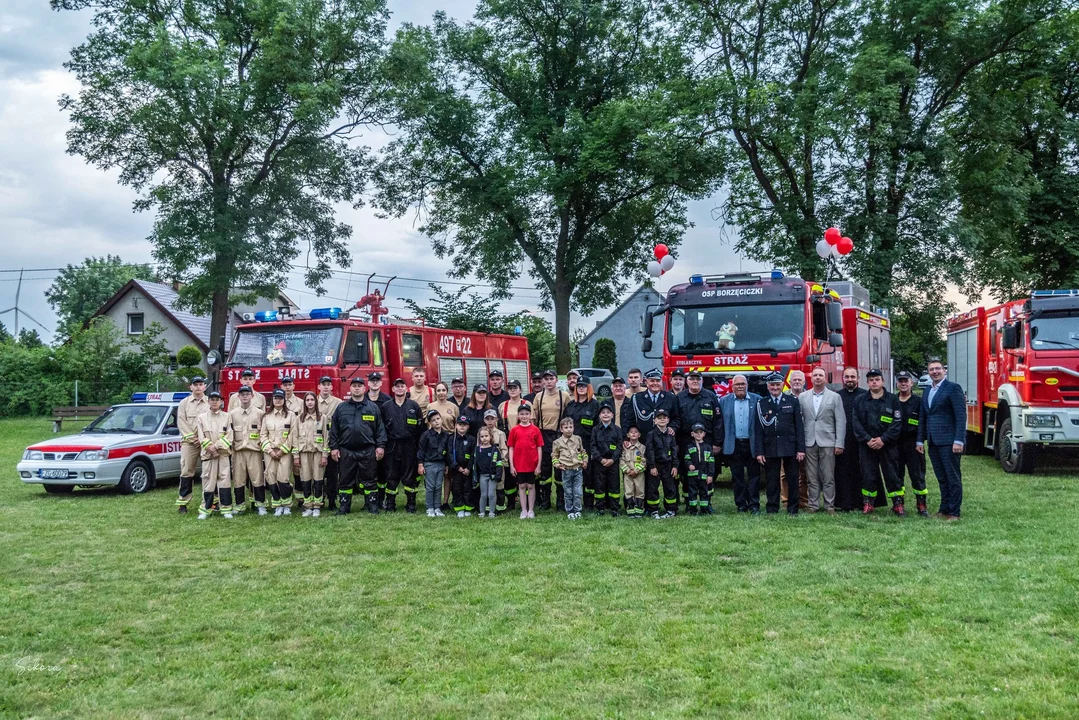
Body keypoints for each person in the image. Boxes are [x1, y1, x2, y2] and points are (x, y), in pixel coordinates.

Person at [329, 377, 387, 515]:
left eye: (359, 386)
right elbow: (334, 430)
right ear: (350, 388)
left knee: (370, 480)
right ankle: (344, 507)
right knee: (345, 480)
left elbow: (380, 429)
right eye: (354, 385)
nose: (356, 388)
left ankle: (372, 506)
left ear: (363, 388)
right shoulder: (341, 408)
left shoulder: (372, 408)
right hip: (346, 450)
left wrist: (380, 446)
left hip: (367, 450)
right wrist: (334, 447)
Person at [917, 358, 966, 520]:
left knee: (952, 478)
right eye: (931, 369)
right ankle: (944, 509)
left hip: (949, 441)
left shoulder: (953, 388)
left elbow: (960, 416)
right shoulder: (927, 391)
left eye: (938, 369)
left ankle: (954, 512)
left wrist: (959, 440)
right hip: (933, 441)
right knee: (941, 478)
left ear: (944, 370)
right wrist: (920, 440)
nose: (935, 372)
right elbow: (924, 417)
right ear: (928, 372)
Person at [853, 369, 905, 516]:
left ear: (882, 381)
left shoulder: (893, 400)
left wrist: (883, 439)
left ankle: (897, 504)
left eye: (877, 379)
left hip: (887, 445)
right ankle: (868, 503)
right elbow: (856, 423)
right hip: (867, 446)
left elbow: (897, 422)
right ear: (867, 382)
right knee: (868, 475)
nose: (874, 382)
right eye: (871, 380)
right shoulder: (860, 400)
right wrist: (868, 439)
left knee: (892, 475)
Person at [753, 372, 806, 515]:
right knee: (772, 479)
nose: (775, 387)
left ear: (783, 385)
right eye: (772, 385)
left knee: (792, 478)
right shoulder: (761, 403)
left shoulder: (792, 401)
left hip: (790, 446)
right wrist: (759, 451)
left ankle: (793, 508)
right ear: (768, 386)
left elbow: (799, 427)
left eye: (777, 384)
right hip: (770, 446)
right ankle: (772, 508)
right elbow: (758, 430)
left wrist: (801, 449)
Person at [799, 367, 846, 514]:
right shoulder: (803, 397)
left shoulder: (834, 397)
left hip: (828, 441)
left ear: (825, 378)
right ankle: (813, 506)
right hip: (809, 441)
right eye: (815, 375)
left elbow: (840, 421)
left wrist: (839, 443)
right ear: (811, 379)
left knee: (828, 476)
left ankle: (829, 506)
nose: (818, 378)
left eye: (820, 375)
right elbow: (799, 421)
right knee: (811, 477)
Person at [674, 370, 721, 511]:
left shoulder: (711, 396)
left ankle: (707, 502)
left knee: (708, 472)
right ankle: (690, 502)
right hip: (685, 441)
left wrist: (717, 443)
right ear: (686, 381)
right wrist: (675, 443)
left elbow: (718, 422)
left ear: (702, 381)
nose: (695, 381)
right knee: (687, 472)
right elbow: (675, 419)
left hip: (707, 442)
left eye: (697, 379)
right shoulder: (679, 398)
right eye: (692, 379)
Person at [719, 375, 761, 513]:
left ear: (747, 385)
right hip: (734, 444)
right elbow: (719, 424)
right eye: (737, 384)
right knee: (737, 476)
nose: (740, 386)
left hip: (752, 443)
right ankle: (741, 504)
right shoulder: (724, 401)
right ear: (732, 386)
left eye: (743, 384)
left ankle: (754, 504)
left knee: (754, 476)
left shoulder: (757, 400)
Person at [381, 378, 423, 513]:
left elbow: (420, 429)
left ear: (406, 389)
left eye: (402, 386)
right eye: (397, 386)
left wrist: (418, 449)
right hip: (392, 446)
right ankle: (390, 504)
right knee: (391, 475)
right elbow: (381, 429)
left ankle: (411, 503)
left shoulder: (414, 406)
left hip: (409, 446)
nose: (399, 388)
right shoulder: (386, 407)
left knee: (409, 476)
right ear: (393, 389)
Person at [532, 369, 572, 511]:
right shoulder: (538, 397)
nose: (549, 382)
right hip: (543, 436)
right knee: (545, 470)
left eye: (551, 379)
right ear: (543, 381)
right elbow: (534, 419)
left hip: (559, 436)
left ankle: (561, 501)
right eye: (546, 379)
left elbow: (569, 417)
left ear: (556, 380)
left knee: (560, 468)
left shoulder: (564, 396)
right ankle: (545, 500)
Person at [895, 371, 929, 517]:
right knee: (896, 475)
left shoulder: (919, 401)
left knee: (917, 474)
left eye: (906, 381)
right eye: (900, 381)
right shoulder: (892, 400)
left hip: (914, 444)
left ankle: (921, 504)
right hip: (895, 444)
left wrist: (920, 441)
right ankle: (898, 504)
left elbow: (924, 423)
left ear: (911, 383)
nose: (903, 383)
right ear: (896, 383)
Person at [196, 391, 234, 520]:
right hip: (208, 456)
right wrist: (211, 449)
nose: (214, 402)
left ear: (221, 402)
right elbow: (201, 437)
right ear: (208, 401)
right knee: (208, 483)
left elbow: (229, 436)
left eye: (217, 399)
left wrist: (216, 447)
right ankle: (205, 510)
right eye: (212, 399)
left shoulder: (227, 416)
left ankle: (226, 509)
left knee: (224, 482)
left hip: (222, 455)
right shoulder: (201, 418)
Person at [835, 367, 868, 511]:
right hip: (843, 441)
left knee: (862, 472)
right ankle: (844, 503)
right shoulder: (837, 396)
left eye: (852, 377)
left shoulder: (865, 395)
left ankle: (862, 503)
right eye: (847, 377)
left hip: (861, 441)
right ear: (843, 379)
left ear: (858, 378)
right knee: (843, 472)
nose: (849, 380)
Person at [175, 377, 209, 514]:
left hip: (206, 442)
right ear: (191, 387)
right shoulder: (184, 403)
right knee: (187, 472)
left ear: (205, 387)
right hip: (189, 443)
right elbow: (181, 422)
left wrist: (202, 439)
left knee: (208, 473)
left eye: (201, 384)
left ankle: (210, 501)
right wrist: (193, 438)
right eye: (196, 385)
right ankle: (183, 503)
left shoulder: (210, 402)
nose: (198, 387)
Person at [564, 377, 599, 510]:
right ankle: (571, 501)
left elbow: (597, 427)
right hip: (571, 444)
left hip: (587, 443)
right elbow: (564, 424)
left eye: (584, 386)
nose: (581, 388)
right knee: (571, 472)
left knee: (587, 473)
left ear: (589, 387)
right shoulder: (571, 405)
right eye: (579, 386)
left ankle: (589, 503)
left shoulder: (594, 405)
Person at [261, 389, 296, 516]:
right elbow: (263, 435)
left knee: (283, 477)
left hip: (284, 452)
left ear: (284, 400)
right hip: (270, 452)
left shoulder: (291, 415)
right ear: (272, 400)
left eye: (280, 398)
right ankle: (277, 504)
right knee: (271, 477)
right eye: (276, 398)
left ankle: (286, 504)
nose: (278, 400)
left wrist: (282, 451)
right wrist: (270, 451)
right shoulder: (266, 416)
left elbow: (293, 434)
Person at [229, 385, 264, 514]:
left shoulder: (259, 413)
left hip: (254, 451)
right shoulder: (232, 414)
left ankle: (260, 505)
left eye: (247, 394)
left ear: (252, 395)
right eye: (242, 394)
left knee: (257, 478)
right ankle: (239, 505)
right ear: (238, 396)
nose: (244, 396)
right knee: (238, 479)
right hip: (238, 451)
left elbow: (263, 432)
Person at [293, 391, 329, 517]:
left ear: (316, 402)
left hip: (318, 453)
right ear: (304, 402)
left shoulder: (322, 418)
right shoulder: (299, 419)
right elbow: (295, 438)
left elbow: (326, 437)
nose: (310, 402)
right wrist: (296, 456)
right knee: (305, 479)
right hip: (304, 453)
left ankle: (317, 506)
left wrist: (325, 455)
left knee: (318, 479)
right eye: (307, 400)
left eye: (312, 400)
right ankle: (308, 506)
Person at [621, 369, 679, 442]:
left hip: (665, 441)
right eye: (652, 381)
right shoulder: (637, 398)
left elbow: (676, 418)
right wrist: (626, 439)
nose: (655, 383)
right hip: (643, 441)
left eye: (658, 381)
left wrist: (672, 427)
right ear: (646, 382)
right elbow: (628, 421)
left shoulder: (670, 398)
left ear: (661, 382)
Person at [508, 404, 544, 519]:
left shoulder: (535, 430)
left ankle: (531, 510)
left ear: (530, 415)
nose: (524, 416)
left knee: (531, 486)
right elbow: (511, 448)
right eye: (522, 414)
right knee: (522, 486)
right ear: (518, 416)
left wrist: (538, 465)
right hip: (519, 464)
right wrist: (512, 466)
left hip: (532, 464)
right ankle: (523, 510)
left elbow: (539, 447)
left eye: (526, 414)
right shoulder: (514, 430)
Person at [780, 370, 809, 510]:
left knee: (804, 473)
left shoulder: (809, 396)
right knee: (785, 473)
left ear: (804, 382)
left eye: (800, 380)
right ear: (789, 382)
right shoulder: (782, 396)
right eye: (794, 380)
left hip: (806, 438)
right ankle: (786, 501)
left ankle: (803, 501)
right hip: (787, 440)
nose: (797, 382)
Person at [645, 408, 679, 518]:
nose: (662, 420)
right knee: (653, 488)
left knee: (670, 488)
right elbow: (649, 451)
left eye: (664, 418)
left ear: (668, 420)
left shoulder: (671, 434)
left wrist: (675, 466)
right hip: (656, 465)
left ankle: (671, 509)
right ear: (655, 420)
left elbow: (674, 450)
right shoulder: (651, 434)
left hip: (668, 465)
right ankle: (653, 510)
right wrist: (652, 466)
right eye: (659, 418)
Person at [590, 403, 622, 516]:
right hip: (600, 463)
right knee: (599, 485)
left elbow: (619, 446)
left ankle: (614, 508)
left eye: (608, 412)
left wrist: (613, 459)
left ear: (613, 415)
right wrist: (601, 459)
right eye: (603, 412)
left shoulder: (617, 430)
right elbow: (593, 447)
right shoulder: (595, 430)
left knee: (614, 485)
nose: (606, 414)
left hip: (613, 462)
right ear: (599, 415)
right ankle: (600, 507)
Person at [552, 417, 585, 520]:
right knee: (568, 492)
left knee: (578, 491)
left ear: (573, 428)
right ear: (561, 429)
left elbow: (582, 451)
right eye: (566, 427)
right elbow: (554, 456)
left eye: (570, 427)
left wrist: (585, 461)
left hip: (578, 469)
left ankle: (577, 510)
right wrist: (557, 465)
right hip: (566, 470)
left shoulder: (578, 439)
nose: (568, 429)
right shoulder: (557, 442)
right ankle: (570, 510)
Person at [317, 376, 342, 509]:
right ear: (318, 387)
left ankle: (332, 501)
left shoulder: (339, 403)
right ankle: (319, 500)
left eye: (328, 384)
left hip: (332, 442)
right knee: (317, 474)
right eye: (323, 384)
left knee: (332, 474)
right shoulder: (312, 401)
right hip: (316, 444)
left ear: (332, 387)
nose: (326, 387)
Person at [417, 409, 448, 517]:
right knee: (431, 486)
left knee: (439, 486)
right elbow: (421, 450)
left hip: (441, 464)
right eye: (433, 420)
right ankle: (430, 507)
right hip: (429, 463)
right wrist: (420, 464)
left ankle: (437, 507)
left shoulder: (445, 435)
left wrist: (447, 465)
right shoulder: (426, 435)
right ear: (430, 423)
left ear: (441, 419)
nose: (437, 422)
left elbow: (447, 451)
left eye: (438, 419)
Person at [683, 423, 716, 514]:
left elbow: (711, 463)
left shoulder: (708, 447)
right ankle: (692, 510)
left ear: (704, 434)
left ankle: (704, 510)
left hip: (704, 476)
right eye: (696, 432)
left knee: (704, 492)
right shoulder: (689, 447)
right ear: (692, 434)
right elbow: (686, 458)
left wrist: (710, 475)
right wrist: (689, 465)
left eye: (700, 432)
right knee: (692, 492)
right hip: (692, 476)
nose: (698, 434)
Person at [482, 409, 511, 512]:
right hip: (485, 463)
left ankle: (500, 506)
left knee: (499, 484)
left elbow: (504, 449)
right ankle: (487, 506)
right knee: (487, 484)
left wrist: (503, 462)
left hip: (498, 463)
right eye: (487, 419)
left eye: (492, 419)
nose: (490, 421)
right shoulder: (481, 433)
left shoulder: (500, 434)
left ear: (496, 420)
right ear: (484, 420)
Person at [448, 416, 474, 517]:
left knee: (467, 488)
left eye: (464, 425)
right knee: (457, 489)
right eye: (460, 425)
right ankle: (459, 508)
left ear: (468, 426)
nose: (462, 427)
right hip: (456, 469)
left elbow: (473, 454)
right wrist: (457, 467)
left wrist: (468, 468)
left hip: (467, 469)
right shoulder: (452, 439)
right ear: (456, 426)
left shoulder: (472, 439)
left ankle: (468, 507)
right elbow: (449, 454)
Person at [474, 427, 503, 518]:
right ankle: (482, 511)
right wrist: (475, 477)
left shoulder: (494, 449)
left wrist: (498, 475)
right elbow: (474, 464)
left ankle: (492, 512)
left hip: (492, 476)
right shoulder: (477, 449)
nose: (484, 438)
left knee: (491, 494)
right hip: (482, 476)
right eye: (482, 436)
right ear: (479, 438)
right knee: (483, 494)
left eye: (486, 436)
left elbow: (499, 463)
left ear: (490, 436)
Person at [620, 424, 647, 518]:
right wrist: (627, 470)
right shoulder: (624, 447)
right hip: (628, 474)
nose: (633, 433)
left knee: (640, 491)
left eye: (636, 432)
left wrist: (636, 470)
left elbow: (644, 461)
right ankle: (630, 510)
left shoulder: (643, 447)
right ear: (628, 435)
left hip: (639, 474)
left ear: (639, 435)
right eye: (631, 432)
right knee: (628, 491)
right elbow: (622, 460)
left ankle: (639, 510)